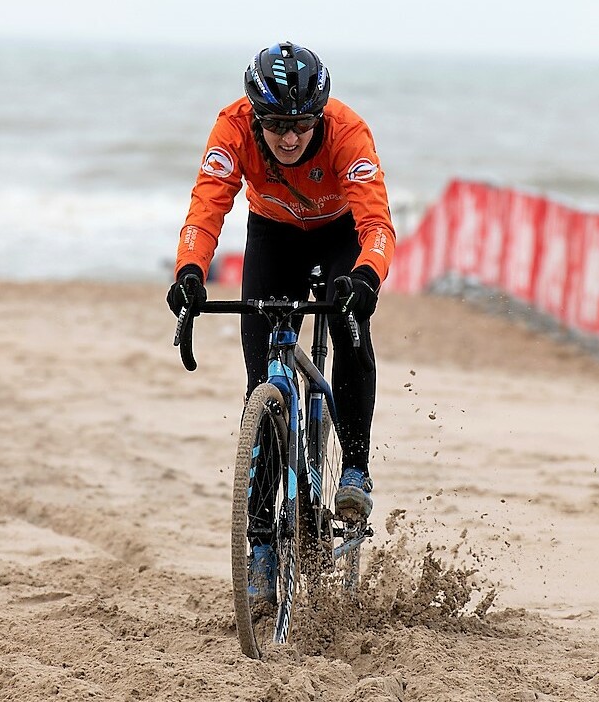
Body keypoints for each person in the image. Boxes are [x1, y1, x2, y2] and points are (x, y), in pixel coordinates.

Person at [166, 41, 395, 602]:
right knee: (259, 387)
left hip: (340, 234)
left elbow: (377, 224)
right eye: (275, 126)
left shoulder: (349, 133)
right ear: (255, 116)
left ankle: (356, 471)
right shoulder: (232, 128)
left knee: (348, 330)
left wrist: (367, 277)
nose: (289, 138)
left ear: (319, 116)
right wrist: (191, 271)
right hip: (274, 236)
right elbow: (207, 206)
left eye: (300, 124)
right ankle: (263, 543)